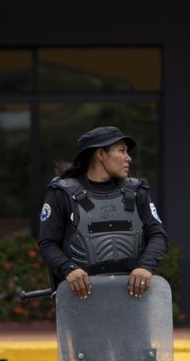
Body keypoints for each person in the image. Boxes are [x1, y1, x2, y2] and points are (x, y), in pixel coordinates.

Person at [38, 126, 168, 299]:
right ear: (100, 154)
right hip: (83, 300)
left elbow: (158, 235)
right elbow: (47, 243)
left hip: (134, 299)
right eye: (121, 151)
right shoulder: (62, 193)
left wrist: (145, 267)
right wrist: (69, 269)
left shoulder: (137, 191)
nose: (128, 158)